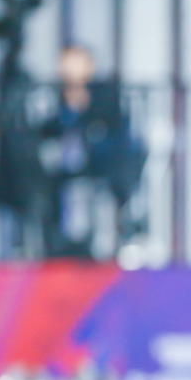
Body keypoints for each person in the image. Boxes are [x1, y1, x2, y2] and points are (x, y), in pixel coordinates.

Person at [38, 45, 146, 258]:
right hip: (67, 166)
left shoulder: (104, 93)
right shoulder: (57, 96)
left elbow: (112, 128)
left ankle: (119, 237)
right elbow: (51, 129)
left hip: (103, 162)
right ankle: (56, 245)